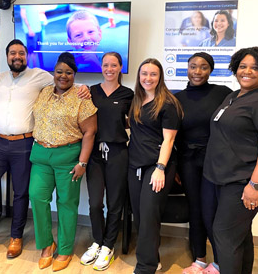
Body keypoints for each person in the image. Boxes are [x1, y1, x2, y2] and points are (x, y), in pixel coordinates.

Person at [0, 40, 90, 268]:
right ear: (7, 56)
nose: (17, 56)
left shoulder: (40, 76)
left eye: (21, 53)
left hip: (24, 144)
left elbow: (64, 79)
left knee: (21, 193)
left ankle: (16, 237)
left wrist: (85, 87)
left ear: (27, 56)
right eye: (13, 53)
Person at [203, 47, 258, 274]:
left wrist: (255, 185)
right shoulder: (234, 96)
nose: (247, 71)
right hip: (224, 178)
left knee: (225, 234)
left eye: (255, 67)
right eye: (242, 66)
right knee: (239, 235)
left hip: (245, 181)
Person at [29, 52, 97, 272]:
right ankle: (47, 245)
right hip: (40, 155)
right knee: (37, 197)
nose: (63, 76)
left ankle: (66, 249)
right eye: (59, 71)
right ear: (53, 73)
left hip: (68, 157)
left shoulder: (81, 96)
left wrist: (83, 163)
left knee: (67, 203)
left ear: (74, 74)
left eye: (68, 72)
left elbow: (89, 132)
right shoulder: (44, 92)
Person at [174, 53, 232, 274]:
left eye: (203, 67)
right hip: (188, 162)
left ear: (211, 70)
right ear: (187, 69)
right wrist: (177, 166)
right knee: (196, 209)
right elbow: (173, 136)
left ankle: (219, 262)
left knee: (212, 211)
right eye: (193, 66)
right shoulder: (177, 98)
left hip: (215, 162)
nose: (197, 71)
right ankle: (199, 259)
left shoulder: (223, 94)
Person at [128, 58, 183, 274]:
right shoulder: (136, 100)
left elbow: (169, 141)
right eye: (144, 73)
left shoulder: (168, 104)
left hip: (157, 166)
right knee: (140, 216)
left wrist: (160, 168)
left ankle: (146, 267)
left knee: (150, 214)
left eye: (153, 74)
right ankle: (154, 258)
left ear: (160, 77)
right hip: (135, 164)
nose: (148, 78)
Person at [80, 52, 134, 270]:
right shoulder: (91, 91)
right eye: (105, 65)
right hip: (94, 154)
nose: (109, 69)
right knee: (94, 204)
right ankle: (97, 241)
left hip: (118, 153)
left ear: (120, 67)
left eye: (113, 65)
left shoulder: (128, 94)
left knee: (115, 203)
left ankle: (108, 245)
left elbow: (133, 122)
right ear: (101, 67)